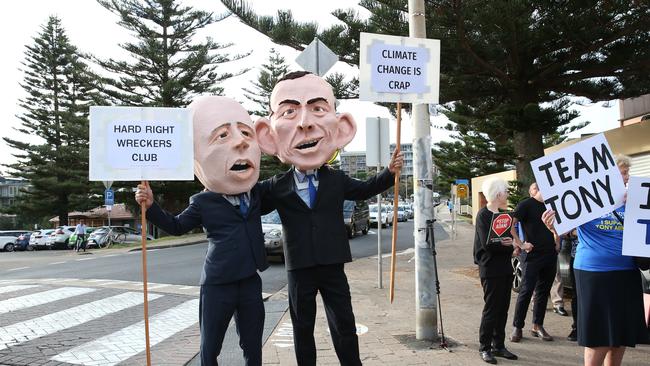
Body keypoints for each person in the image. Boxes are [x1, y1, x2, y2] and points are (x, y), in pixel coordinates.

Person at [256, 71, 403, 365]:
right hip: (299, 268)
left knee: (344, 323)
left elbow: (365, 190)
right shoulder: (275, 187)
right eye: (289, 111)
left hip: (333, 263)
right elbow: (246, 202)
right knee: (302, 328)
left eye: (317, 108)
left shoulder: (336, 179)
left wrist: (390, 172)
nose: (305, 122)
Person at [135, 96, 268, 366]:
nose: (240, 142)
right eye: (222, 135)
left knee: (253, 344)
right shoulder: (203, 201)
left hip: (251, 280)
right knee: (211, 346)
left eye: (244, 132)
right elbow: (177, 226)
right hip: (219, 283)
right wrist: (151, 205)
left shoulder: (256, 193)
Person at [542, 154, 648, 366]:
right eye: (623, 173)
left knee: (621, 332)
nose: (627, 177)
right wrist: (553, 226)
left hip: (626, 272)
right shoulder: (587, 199)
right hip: (594, 272)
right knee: (598, 333)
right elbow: (563, 231)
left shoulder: (636, 201)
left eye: (628, 172)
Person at [473, 178, 519, 364]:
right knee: (491, 309)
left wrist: (512, 244)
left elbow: (507, 239)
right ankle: (485, 347)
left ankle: (499, 345)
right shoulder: (483, 215)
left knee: (503, 308)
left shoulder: (504, 215)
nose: (507, 194)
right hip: (490, 268)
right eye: (506, 191)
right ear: (498, 194)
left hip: (505, 267)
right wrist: (509, 246)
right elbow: (488, 244)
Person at [509, 182, 559, 342]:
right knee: (526, 291)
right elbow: (511, 225)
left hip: (550, 254)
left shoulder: (554, 205)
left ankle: (537, 325)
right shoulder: (526, 204)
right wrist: (521, 243)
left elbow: (559, 226)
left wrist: (557, 241)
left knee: (543, 292)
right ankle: (517, 327)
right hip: (531, 256)